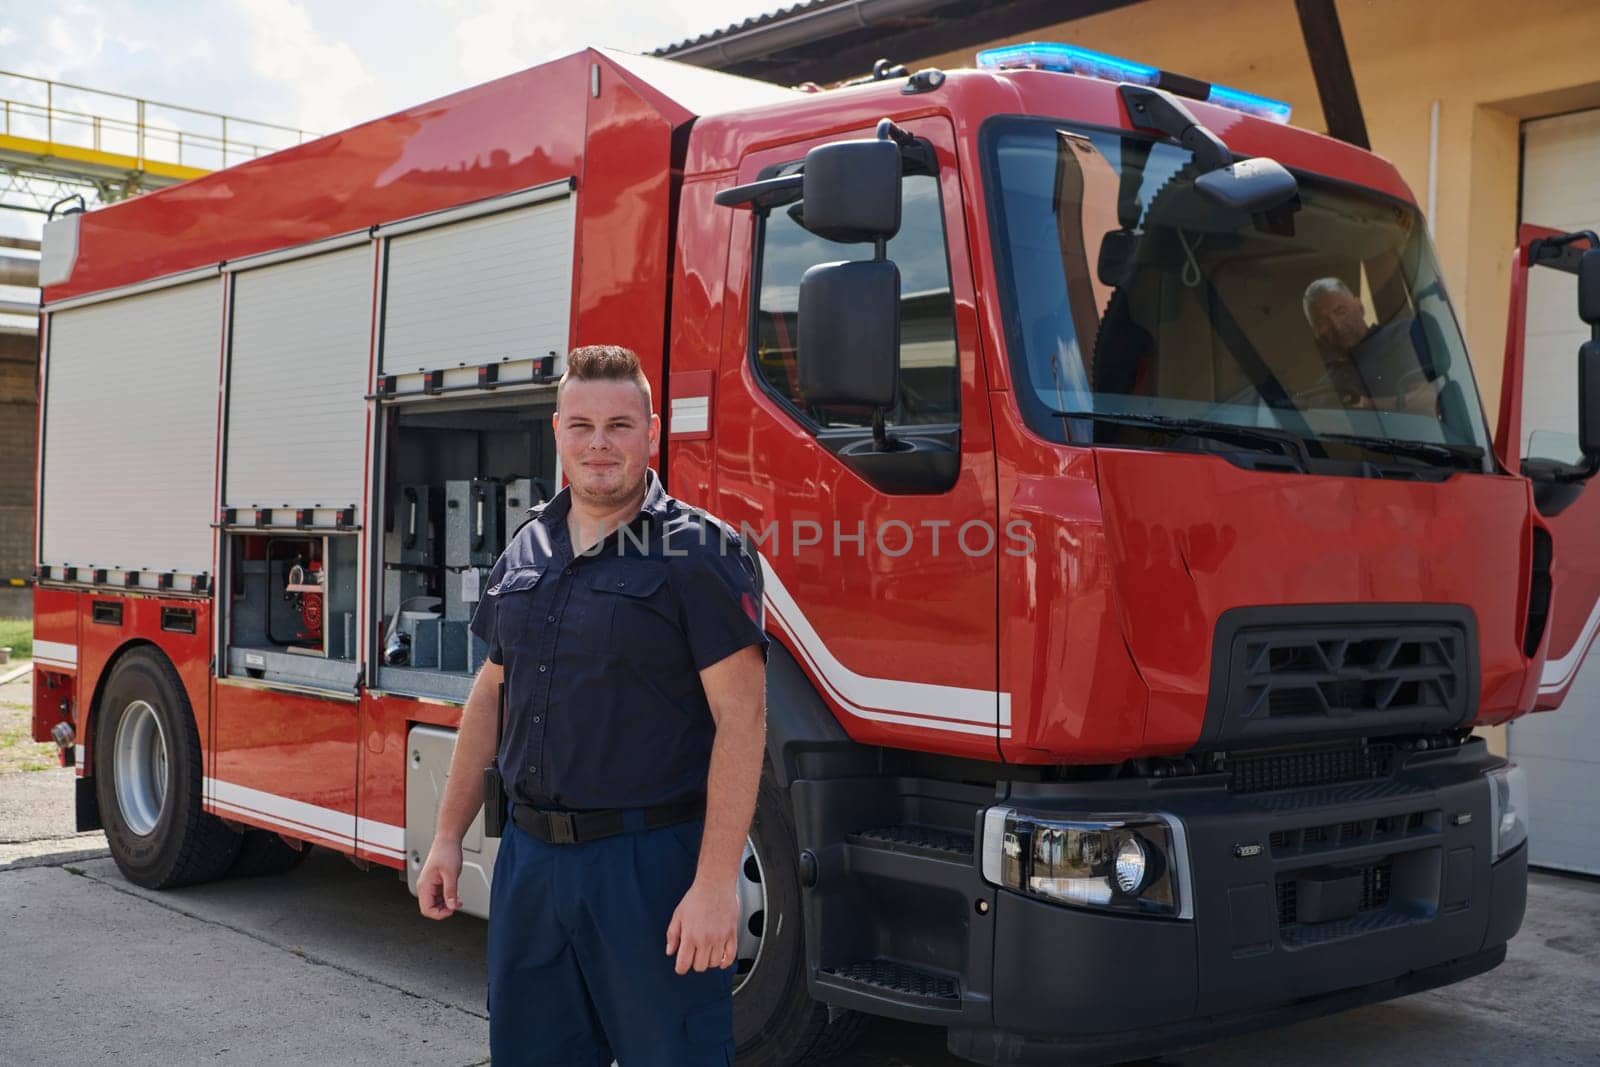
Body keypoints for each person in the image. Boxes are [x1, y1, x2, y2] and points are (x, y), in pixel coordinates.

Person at [416, 344, 769, 1067]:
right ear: (557, 432)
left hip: (648, 871)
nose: (599, 442)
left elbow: (744, 718)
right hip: (530, 863)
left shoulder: (700, 552)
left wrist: (713, 884)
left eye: (618, 424)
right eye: (581, 425)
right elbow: (491, 691)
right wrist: (448, 835)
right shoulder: (527, 546)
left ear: (652, 432)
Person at [1301, 276, 1438, 413]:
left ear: (1359, 307)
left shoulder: (1402, 336)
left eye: (1341, 312)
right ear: (1316, 332)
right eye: (1322, 322)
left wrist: (1367, 404)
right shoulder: (1322, 391)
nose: (1336, 326)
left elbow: (1429, 400)